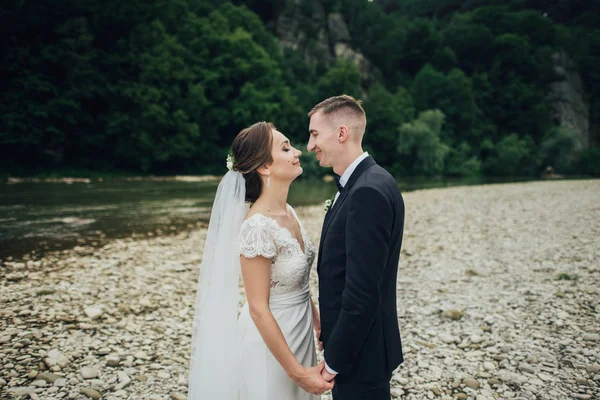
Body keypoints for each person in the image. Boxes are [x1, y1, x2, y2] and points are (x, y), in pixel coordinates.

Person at [188, 121, 334, 399]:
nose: (298, 152)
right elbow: (257, 308)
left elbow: (295, 276)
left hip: (300, 328)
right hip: (271, 340)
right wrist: (298, 372)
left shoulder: (289, 211)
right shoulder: (256, 226)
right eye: (286, 148)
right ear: (265, 167)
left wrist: (316, 317)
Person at [307, 95, 405, 399]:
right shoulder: (371, 181)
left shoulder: (367, 192)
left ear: (341, 133)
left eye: (314, 134)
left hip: (360, 355)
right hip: (363, 349)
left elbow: (362, 292)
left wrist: (334, 361)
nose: (310, 146)